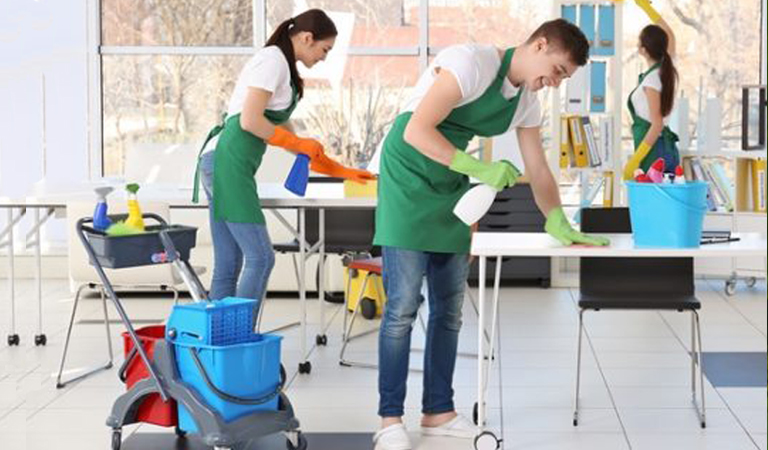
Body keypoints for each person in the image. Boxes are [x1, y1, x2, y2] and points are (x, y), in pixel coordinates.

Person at [372, 19, 610, 450]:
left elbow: (538, 168)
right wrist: (480, 168)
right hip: (408, 173)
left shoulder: (526, 102)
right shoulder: (471, 62)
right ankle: (390, 420)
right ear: (539, 45)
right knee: (403, 307)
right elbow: (416, 130)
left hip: (451, 181)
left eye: (564, 78)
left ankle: (438, 412)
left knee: (449, 308)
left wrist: (558, 218)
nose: (555, 83)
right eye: (557, 71)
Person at [192, 9, 374, 314]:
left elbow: (288, 137)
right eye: (325, 49)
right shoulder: (272, 60)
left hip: (221, 161)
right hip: (226, 162)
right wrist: (298, 143)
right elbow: (250, 120)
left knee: (229, 261)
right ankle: (241, 335)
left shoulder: (283, 67)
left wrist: (342, 171)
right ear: (307, 38)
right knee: (261, 257)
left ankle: (219, 339)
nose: (324, 57)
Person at [622, 0, 679, 180]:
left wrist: (635, 160)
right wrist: (645, 6)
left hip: (654, 152)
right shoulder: (667, 69)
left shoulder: (652, 80)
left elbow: (657, 124)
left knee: (650, 198)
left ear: (643, 50)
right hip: (666, 149)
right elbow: (669, 33)